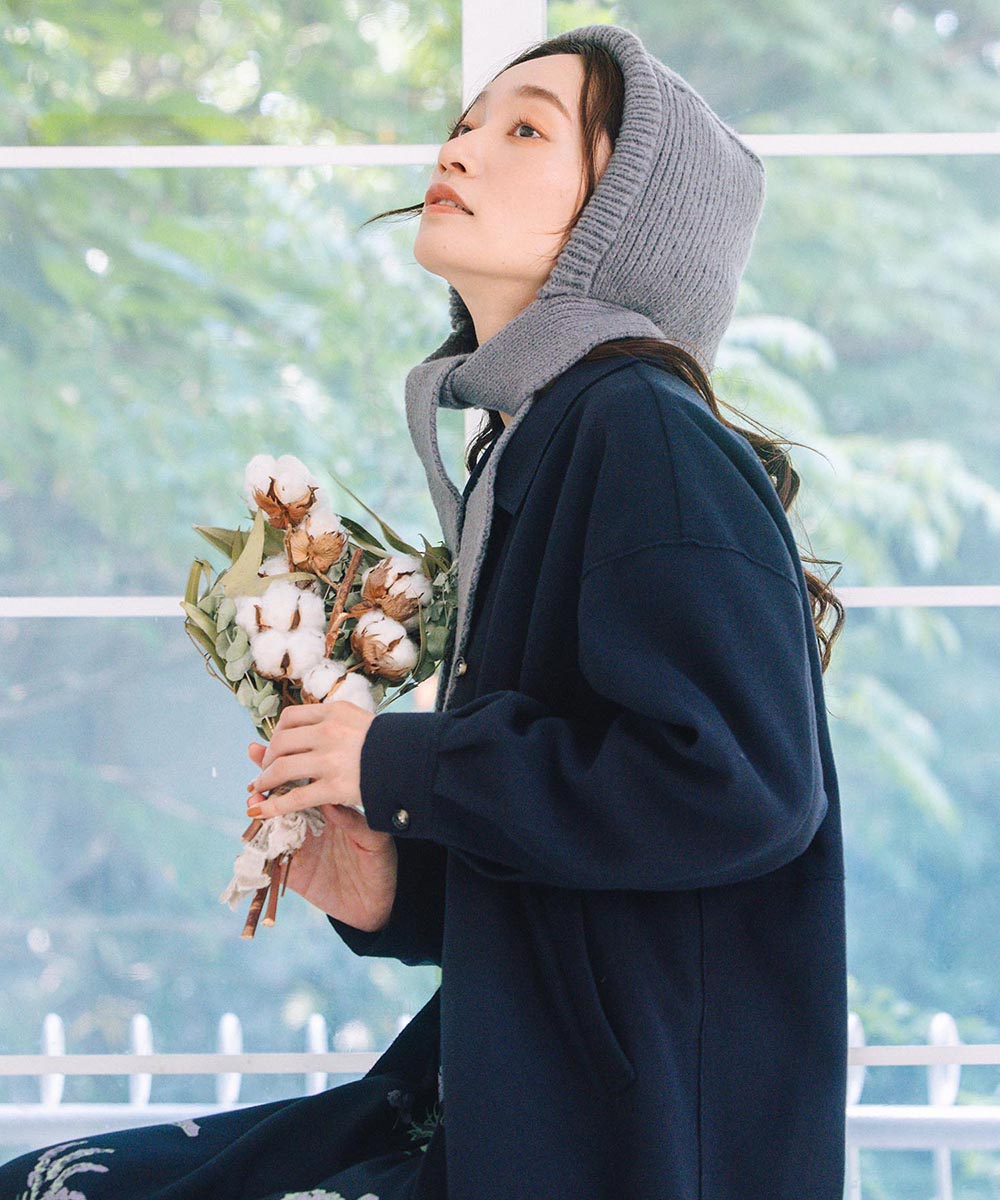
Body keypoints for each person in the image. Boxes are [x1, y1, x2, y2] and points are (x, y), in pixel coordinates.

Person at [0, 22, 849, 1200]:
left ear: (630, 219)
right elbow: (606, 850)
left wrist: (398, 761)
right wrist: (396, 887)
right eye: (464, 122)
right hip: (513, 1112)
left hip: (618, 1155)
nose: (458, 148)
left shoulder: (642, 431)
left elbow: (737, 790)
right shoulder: (547, 436)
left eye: (526, 130)